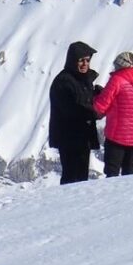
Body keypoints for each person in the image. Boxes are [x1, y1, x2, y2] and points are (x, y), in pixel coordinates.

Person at [48, 40, 102, 184]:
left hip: (83, 136)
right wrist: (93, 112)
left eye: (87, 60)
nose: (84, 64)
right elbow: (71, 109)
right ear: (73, 61)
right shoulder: (63, 82)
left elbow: (84, 100)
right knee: (71, 176)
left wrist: (97, 95)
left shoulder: (84, 80)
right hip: (69, 137)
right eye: (81, 60)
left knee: (81, 176)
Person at [93, 50, 133, 177]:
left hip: (117, 134)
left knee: (112, 171)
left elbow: (100, 107)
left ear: (120, 65)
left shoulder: (117, 80)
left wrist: (97, 95)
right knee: (130, 171)